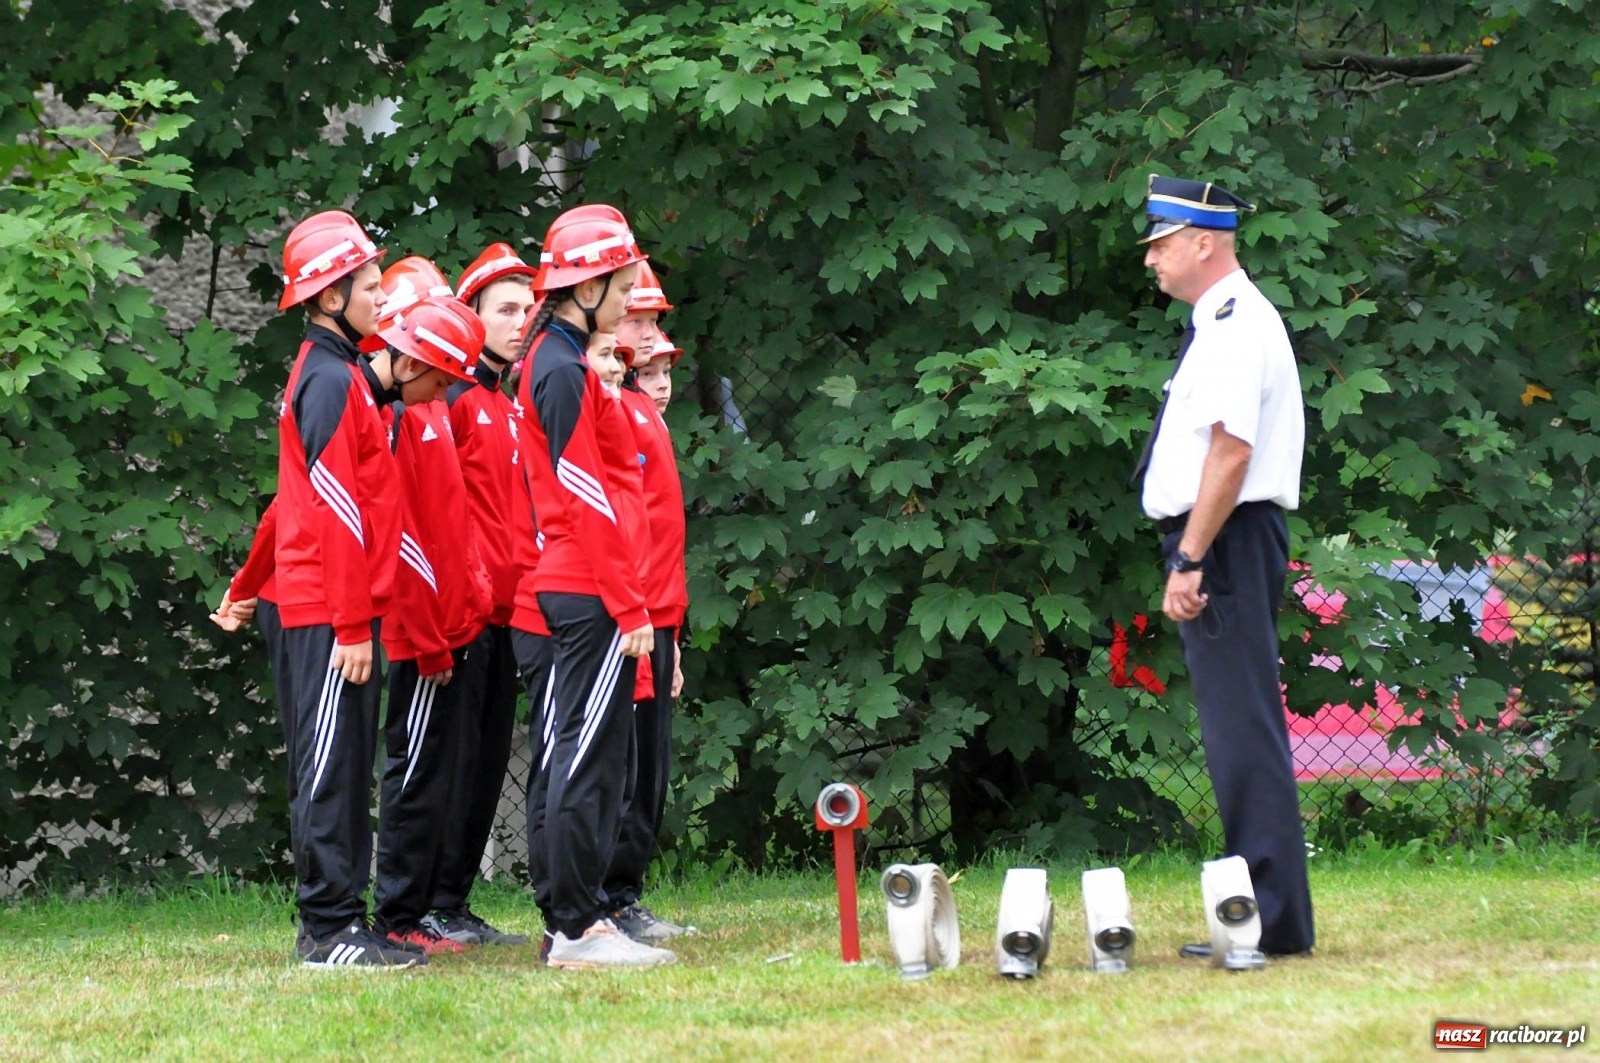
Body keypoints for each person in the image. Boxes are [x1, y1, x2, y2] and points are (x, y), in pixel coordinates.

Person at [1131, 174, 1315, 959]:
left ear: (1203, 242)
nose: (1152, 261)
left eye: (1161, 245)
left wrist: (1190, 555)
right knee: (1235, 725)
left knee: (1242, 728)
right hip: (1226, 537)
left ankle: (1269, 919)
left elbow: (1231, 451)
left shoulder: (1237, 323)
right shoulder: (1222, 320)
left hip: (1226, 538)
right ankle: (1266, 910)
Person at [512, 205, 675, 969]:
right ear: (587, 286)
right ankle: (578, 927)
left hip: (585, 584)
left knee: (578, 752)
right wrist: (629, 600)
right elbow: (584, 489)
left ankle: (570, 920)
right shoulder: (558, 364)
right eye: (621, 284)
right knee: (588, 757)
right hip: (588, 587)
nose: (629, 299)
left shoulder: (559, 357)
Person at [272, 210, 416, 969]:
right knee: (329, 768)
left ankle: (346, 919)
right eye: (368, 283)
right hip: (327, 611)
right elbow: (333, 507)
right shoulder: (327, 379)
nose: (380, 295)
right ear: (329, 298)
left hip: (342, 608)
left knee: (348, 762)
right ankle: (326, 930)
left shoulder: (347, 374)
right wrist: (352, 624)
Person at [411, 243, 544, 948]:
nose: (521, 321)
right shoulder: (455, 398)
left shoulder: (507, 401)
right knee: (453, 759)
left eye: (527, 308)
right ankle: (427, 902)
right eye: (506, 309)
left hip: (508, 613)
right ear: (471, 315)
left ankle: (454, 902)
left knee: (489, 760)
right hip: (464, 613)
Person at [368, 294, 496, 956]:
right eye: (442, 376)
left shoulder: (427, 413)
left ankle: (416, 912)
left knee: (436, 773)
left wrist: (469, 605)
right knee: (414, 776)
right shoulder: (393, 421)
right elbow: (403, 540)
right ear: (412, 359)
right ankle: (396, 914)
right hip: (425, 640)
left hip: (452, 629)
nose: (447, 389)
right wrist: (428, 638)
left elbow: (453, 529)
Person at [606, 290, 691, 944]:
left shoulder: (644, 414)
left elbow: (664, 535)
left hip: (657, 618)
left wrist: (673, 635)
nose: (661, 384)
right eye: (642, 328)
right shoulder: (620, 411)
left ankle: (624, 894)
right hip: (630, 618)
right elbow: (628, 531)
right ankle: (610, 898)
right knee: (628, 767)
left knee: (650, 767)